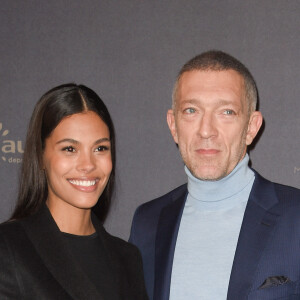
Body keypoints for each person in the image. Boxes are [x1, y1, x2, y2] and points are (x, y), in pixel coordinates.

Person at [129, 50, 300, 300]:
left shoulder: (295, 216)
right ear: (173, 125)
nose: (206, 131)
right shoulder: (147, 222)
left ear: (251, 127)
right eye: (191, 111)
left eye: (226, 112)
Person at [0, 84, 148, 300]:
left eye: (100, 148)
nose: (87, 165)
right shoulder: (9, 247)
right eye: (70, 149)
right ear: (40, 155)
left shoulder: (128, 258)